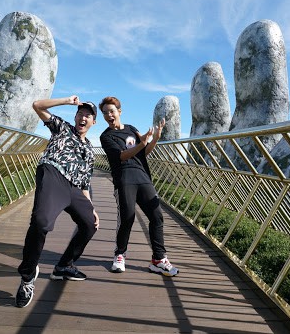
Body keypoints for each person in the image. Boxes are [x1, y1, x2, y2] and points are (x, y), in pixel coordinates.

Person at [15, 96, 100, 308]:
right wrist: (67, 100)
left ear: (93, 122)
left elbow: (85, 183)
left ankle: (64, 266)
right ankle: (28, 276)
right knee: (40, 222)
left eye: (87, 116)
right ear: (75, 116)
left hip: (74, 188)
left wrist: (91, 208)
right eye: (80, 114)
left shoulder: (90, 150)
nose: (83, 118)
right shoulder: (62, 128)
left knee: (90, 224)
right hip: (54, 174)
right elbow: (37, 106)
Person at [98, 96, 179, 277]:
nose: (109, 115)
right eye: (105, 113)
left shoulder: (131, 129)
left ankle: (158, 259)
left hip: (142, 176)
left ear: (119, 111)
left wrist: (155, 138)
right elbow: (122, 156)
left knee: (156, 216)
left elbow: (143, 153)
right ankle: (120, 254)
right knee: (127, 217)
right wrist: (142, 143)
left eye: (111, 111)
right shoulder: (106, 136)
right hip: (124, 178)